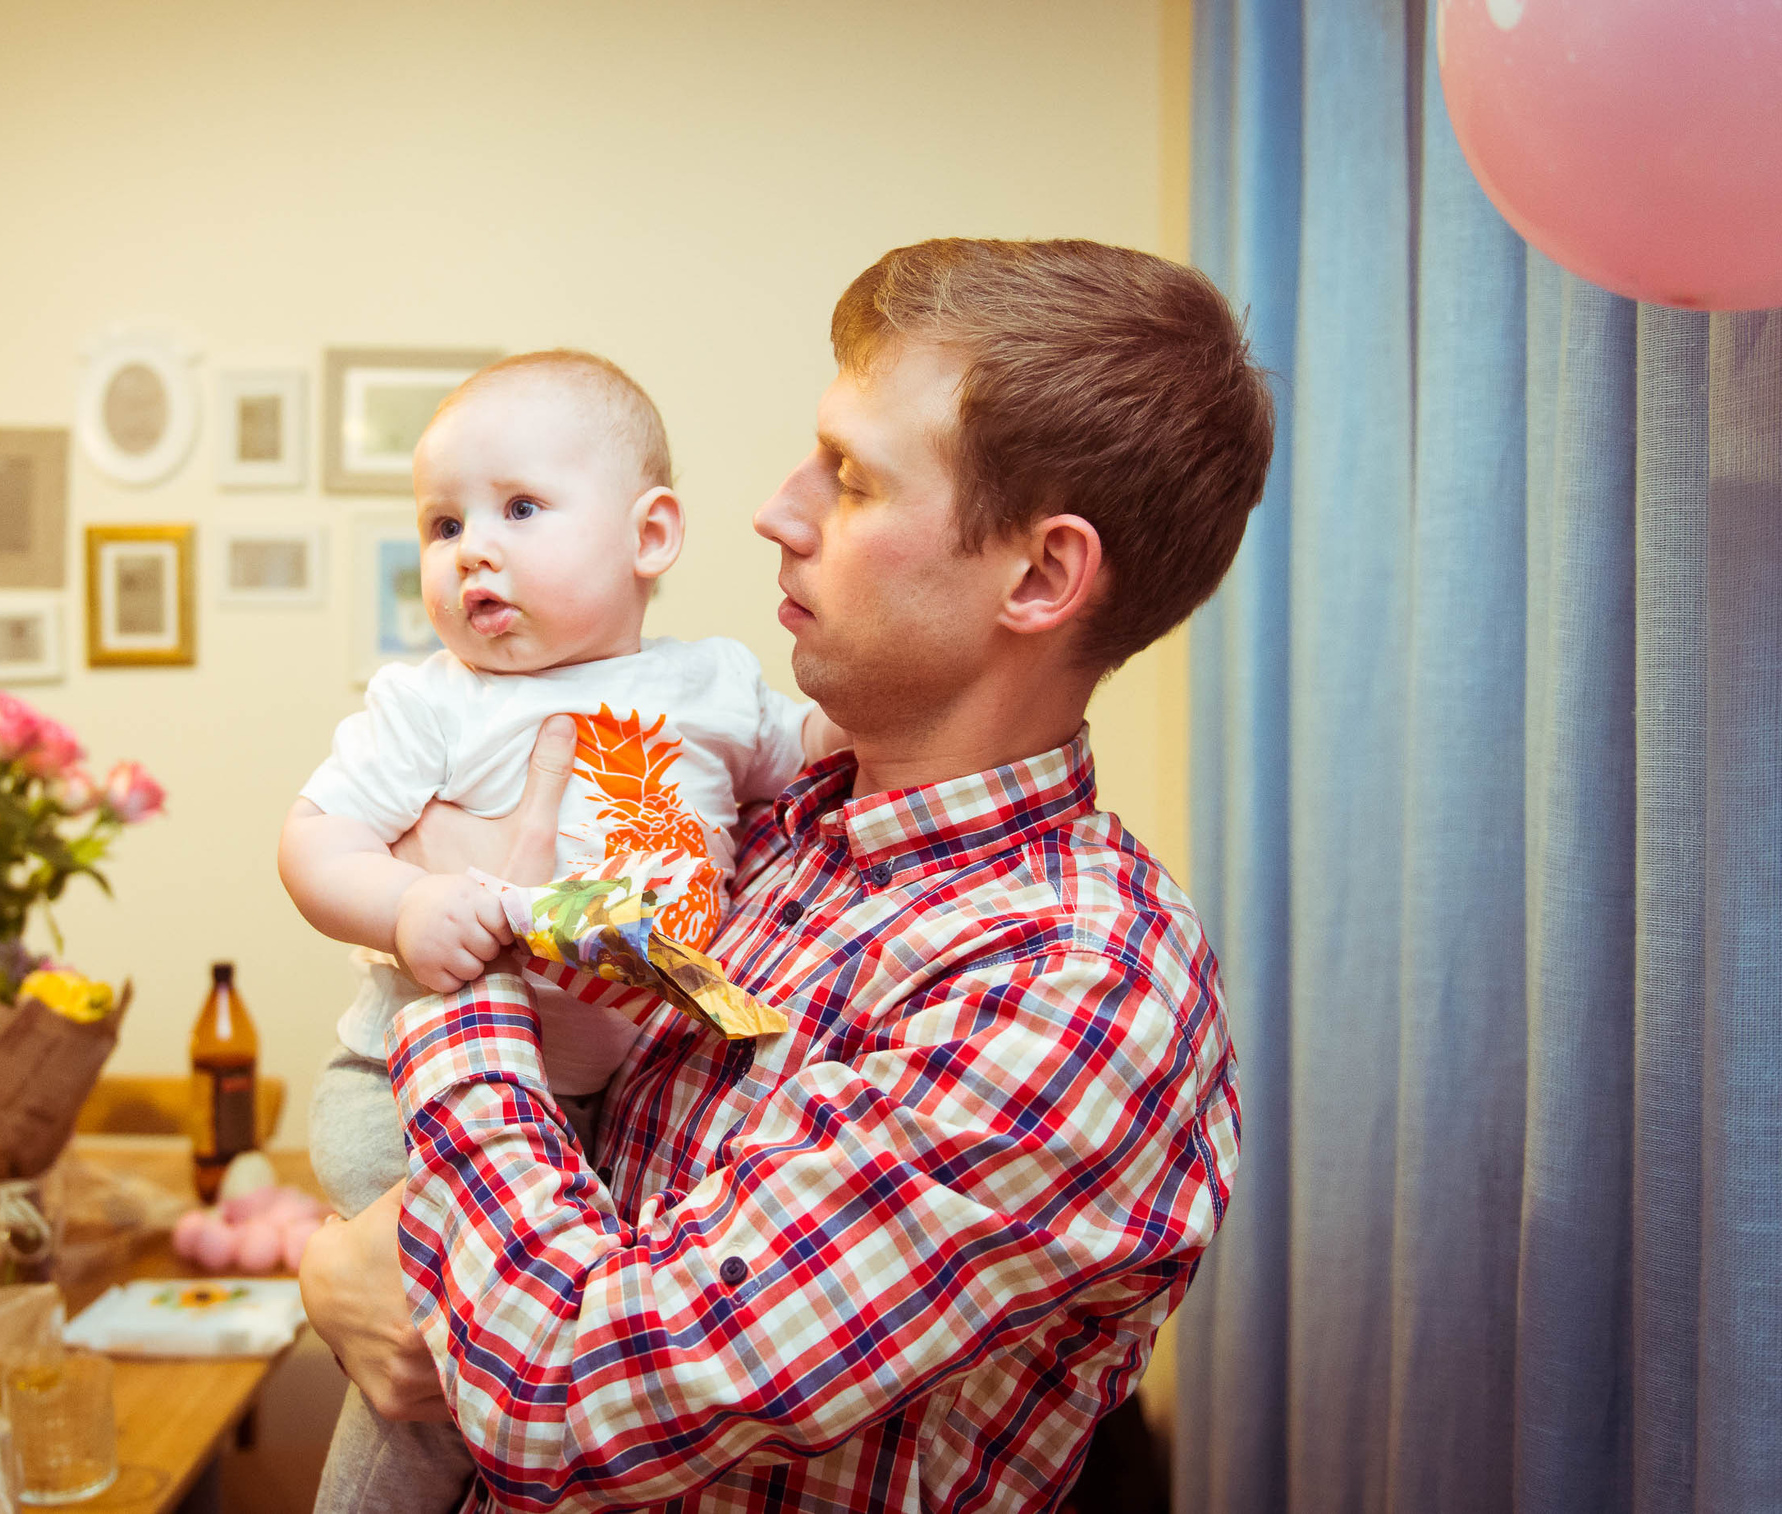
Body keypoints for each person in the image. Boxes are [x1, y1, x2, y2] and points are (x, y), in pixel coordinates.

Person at [299, 237, 1274, 1512]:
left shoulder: (1073, 983)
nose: (777, 509)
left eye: (853, 480)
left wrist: (474, 954)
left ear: (1039, 575)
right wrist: (344, 1260)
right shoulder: (778, 830)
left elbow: (565, 1392)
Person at [279, 348, 845, 1514]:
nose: (471, 548)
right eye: (443, 524)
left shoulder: (717, 685)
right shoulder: (434, 700)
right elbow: (313, 837)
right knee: (434, 1376)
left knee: (500, 1373)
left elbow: (832, 754)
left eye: (520, 509)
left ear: (650, 537)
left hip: (585, 1120)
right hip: (402, 1088)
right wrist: (406, 904)